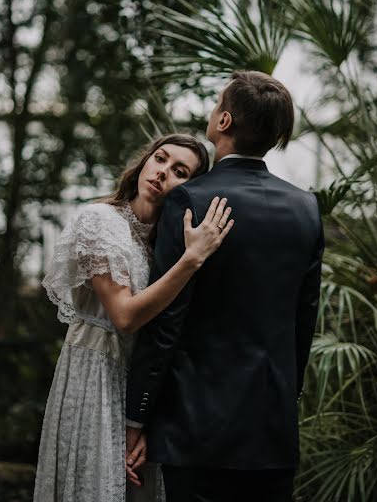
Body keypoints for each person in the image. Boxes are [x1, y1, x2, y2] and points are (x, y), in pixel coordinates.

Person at [126, 71, 325, 502]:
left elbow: (166, 321)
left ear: (224, 122)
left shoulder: (190, 201)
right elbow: (302, 323)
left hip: (195, 425)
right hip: (271, 427)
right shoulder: (306, 209)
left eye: (218, 103)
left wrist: (137, 417)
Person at [33, 133, 234, 502]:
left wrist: (143, 419)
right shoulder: (100, 221)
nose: (162, 173)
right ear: (144, 162)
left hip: (137, 386)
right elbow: (124, 316)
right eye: (160, 159)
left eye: (179, 171)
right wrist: (192, 260)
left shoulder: (165, 246)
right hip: (93, 375)